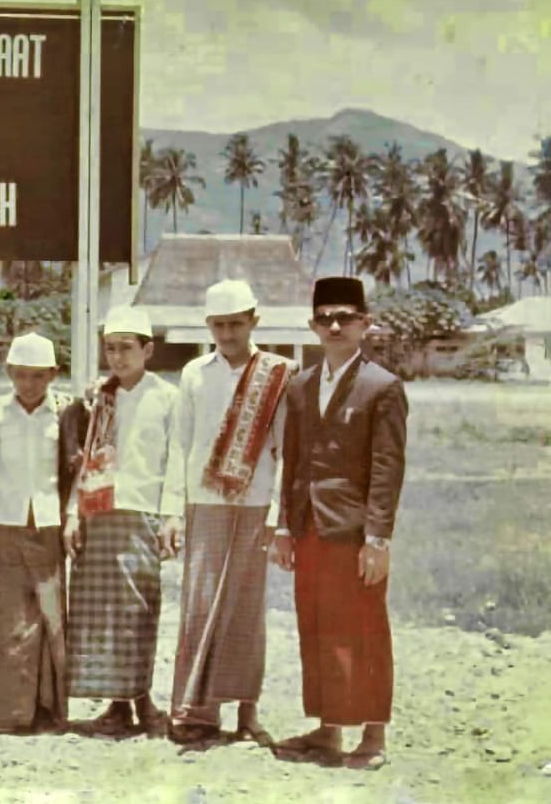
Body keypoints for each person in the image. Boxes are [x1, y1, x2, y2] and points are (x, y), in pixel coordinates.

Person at [272, 277, 407, 770]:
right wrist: (284, 528)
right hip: (309, 527)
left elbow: (387, 468)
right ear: (311, 325)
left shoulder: (382, 387)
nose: (333, 326)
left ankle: (373, 735)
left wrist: (378, 538)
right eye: (324, 317)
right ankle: (328, 728)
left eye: (344, 317)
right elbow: (293, 461)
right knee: (317, 625)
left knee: (364, 628)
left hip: (354, 532)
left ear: (364, 324)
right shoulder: (301, 385)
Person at [161, 279, 294, 747]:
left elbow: (285, 452)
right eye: (219, 324)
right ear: (207, 326)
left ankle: (247, 712)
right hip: (203, 502)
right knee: (198, 607)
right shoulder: (195, 373)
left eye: (236, 323)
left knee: (245, 611)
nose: (228, 333)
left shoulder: (279, 374)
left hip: (256, 503)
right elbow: (180, 447)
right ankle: (195, 712)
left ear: (254, 320)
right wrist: (172, 512)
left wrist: (279, 514)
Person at [60, 306, 178, 738]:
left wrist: (171, 516)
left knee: (138, 610)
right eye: (110, 349)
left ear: (147, 349)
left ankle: (143, 699)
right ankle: (114, 704)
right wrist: (73, 513)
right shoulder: (98, 398)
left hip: (141, 511)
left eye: (126, 348)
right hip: (97, 511)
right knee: (100, 615)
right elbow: (85, 457)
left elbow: (176, 459)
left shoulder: (167, 397)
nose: (118, 357)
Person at [0, 331, 72, 734]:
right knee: (10, 619)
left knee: (51, 618)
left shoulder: (66, 412)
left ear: (53, 374)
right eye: (21, 375)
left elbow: (73, 469)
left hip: (49, 524)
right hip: (7, 522)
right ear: (8, 372)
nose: (29, 384)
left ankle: (50, 710)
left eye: (38, 376)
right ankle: (12, 713)